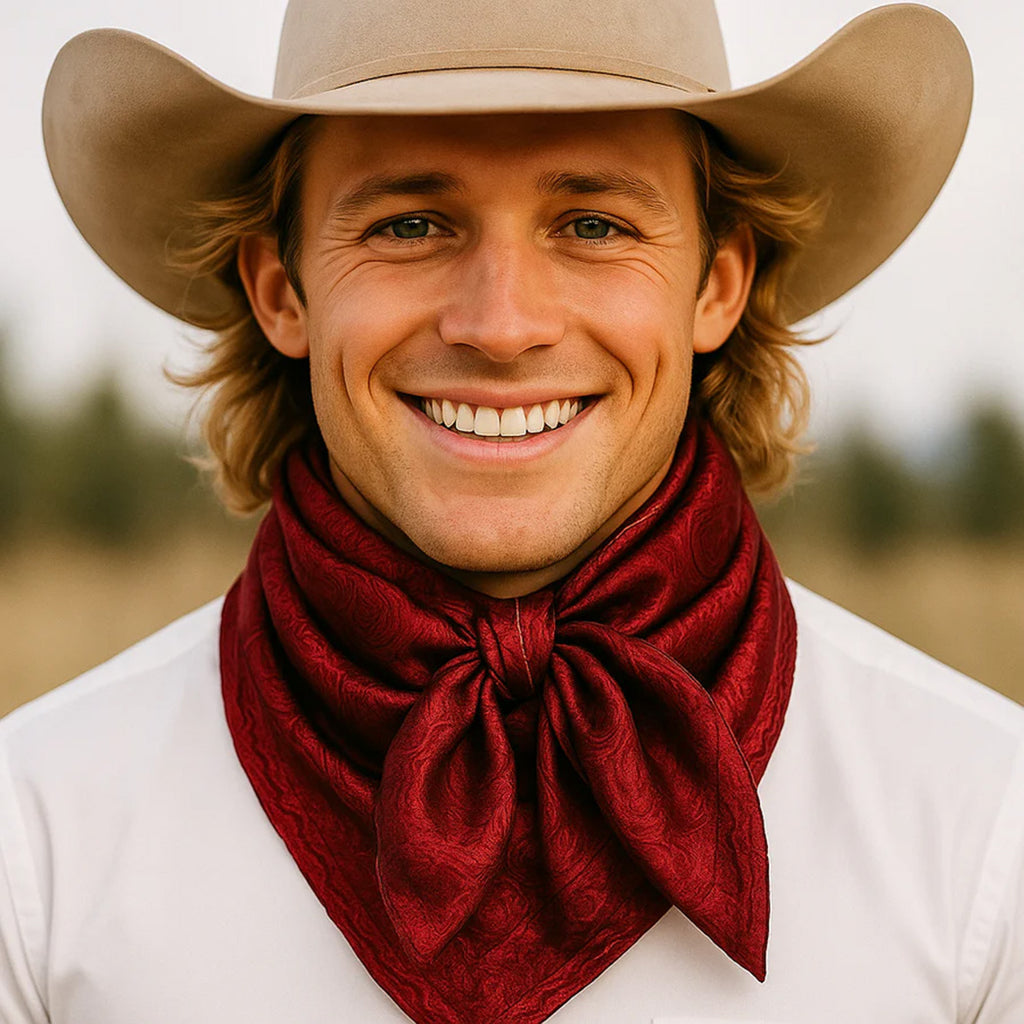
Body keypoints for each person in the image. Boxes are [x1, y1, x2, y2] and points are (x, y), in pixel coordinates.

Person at [2, 0, 1021, 1021]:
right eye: (409, 223)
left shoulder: (984, 827)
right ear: (283, 291)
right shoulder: (35, 835)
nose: (500, 324)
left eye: (592, 224)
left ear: (716, 283)